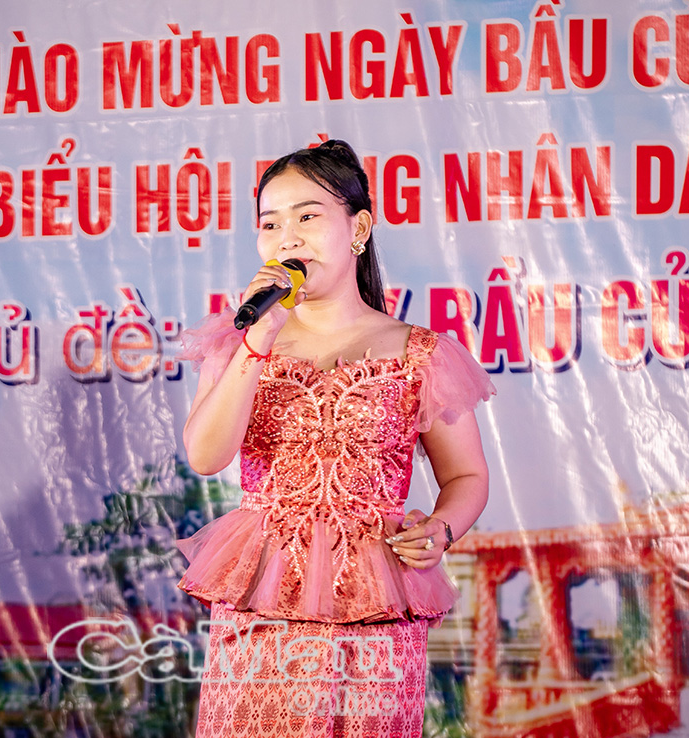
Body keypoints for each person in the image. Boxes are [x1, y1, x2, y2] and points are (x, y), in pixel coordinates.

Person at [175, 140, 495, 738]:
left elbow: (467, 477)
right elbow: (206, 454)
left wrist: (441, 529)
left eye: (307, 216)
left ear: (359, 229)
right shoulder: (238, 340)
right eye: (270, 224)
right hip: (263, 600)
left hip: (373, 603)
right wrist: (258, 339)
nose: (287, 238)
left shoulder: (420, 352)